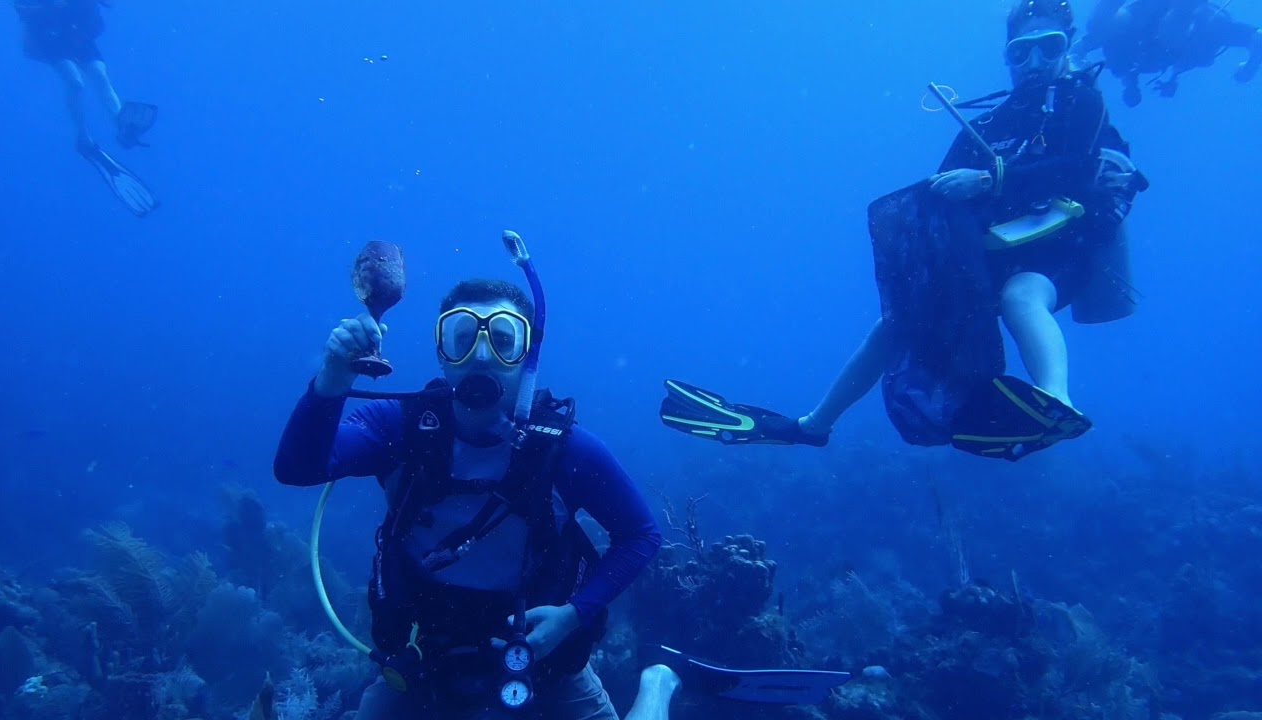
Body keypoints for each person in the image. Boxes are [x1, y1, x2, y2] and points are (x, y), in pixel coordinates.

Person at [660, 0, 1147, 462]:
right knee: (895, 323)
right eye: (1021, 51)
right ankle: (813, 425)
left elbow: (1084, 168)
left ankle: (1055, 402)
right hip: (991, 251)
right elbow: (938, 202)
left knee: (1023, 295)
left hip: (1070, 241)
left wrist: (989, 179)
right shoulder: (989, 122)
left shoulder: (1081, 103)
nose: (1034, 60)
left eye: (1050, 46)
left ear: (1069, 48)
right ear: (1007, 58)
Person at [274, 267, 666, 718]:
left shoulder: (565, 450)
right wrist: (332, 380)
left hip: (538, 655)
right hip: (423, 655)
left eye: (503, 339)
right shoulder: (400, 428)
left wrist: (573, 616)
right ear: (443, 354)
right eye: (463, 337)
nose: (482, 355)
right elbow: (298, 468)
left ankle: (657, 684)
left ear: (527, 356)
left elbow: (640, 534)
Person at [13, 0, 159, 216]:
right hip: (50, 35)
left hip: (76, 33)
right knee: (75, 82)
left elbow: (98, 19)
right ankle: (84, 139)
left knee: (101, 77)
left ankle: (121, 126)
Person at [1075, 0, 1262, 106]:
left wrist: (1251, 66)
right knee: (1102, 28)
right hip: (1138, 39)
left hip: (1153, 49)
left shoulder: (1208, 29)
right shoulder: (1135, 21)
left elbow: (1256, 37)